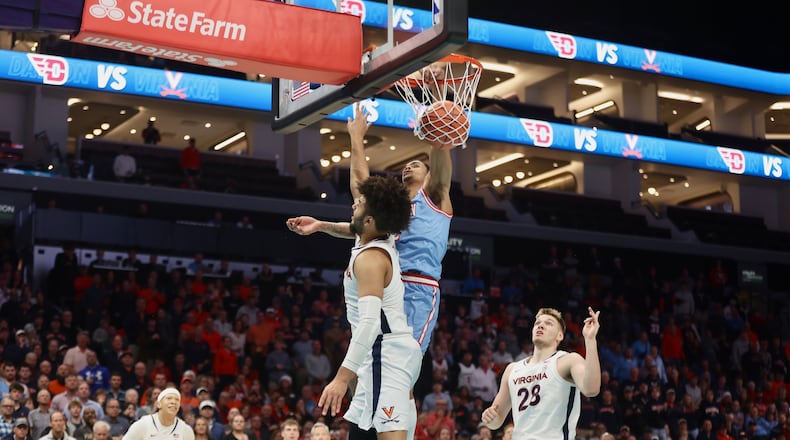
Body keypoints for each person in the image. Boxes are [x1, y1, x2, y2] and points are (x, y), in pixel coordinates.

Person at [286, 101, 454, 354]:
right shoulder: (390, 208)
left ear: (428, 175)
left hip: (417, 284)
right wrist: (356, 137)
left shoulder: (435, 197)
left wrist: (436, 123)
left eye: (417, 164)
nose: (408, 166)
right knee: (373, 360)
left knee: (404, 363)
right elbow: (360, 192)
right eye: (406, 165)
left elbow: (440, 158)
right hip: (383, 281)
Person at [316, 174, 421, 440]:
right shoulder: (374, 239)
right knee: (361, 432)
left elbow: (370, 323)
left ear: (370, 220)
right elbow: (351, 227)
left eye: (360, 204)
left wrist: (341, 378)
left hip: (384, 354)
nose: (354, 204)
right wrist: (319, 225)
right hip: (387, 352)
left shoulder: (371, 260)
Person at [480, 307, 602, 440]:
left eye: (548, 323)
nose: (541, 325)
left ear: (559, 336)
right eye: (537, 323)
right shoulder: (512, 369)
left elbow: (592, 389)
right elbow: (496, 420)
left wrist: (590, 341)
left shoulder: (567, 361)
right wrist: (490, 417)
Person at [121, 388, 194, 440]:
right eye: (169, 398)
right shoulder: (143, 424)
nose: (173, 402)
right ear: (158, 404)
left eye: (177, 400)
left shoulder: (186, 430)